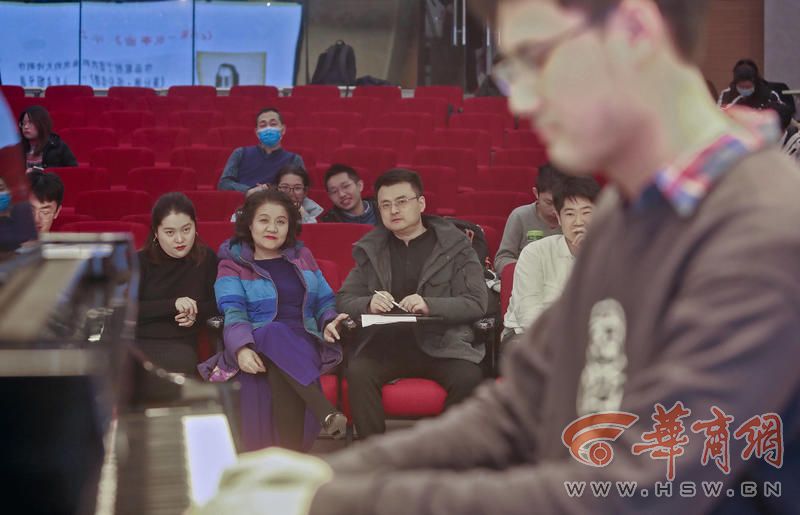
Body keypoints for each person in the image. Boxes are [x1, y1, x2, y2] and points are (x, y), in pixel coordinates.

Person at [196, 0, 800, 513]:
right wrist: (328, 476)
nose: (523, 100)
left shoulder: (764, 232)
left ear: (635, 31)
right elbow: (522, 404)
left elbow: (633, 491)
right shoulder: (629, 212)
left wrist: (334, 501)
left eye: (538, 58)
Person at [335, 168, 487, 439]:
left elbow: (476, 302)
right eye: (385, 205)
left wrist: (429, 304)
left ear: (421, 203)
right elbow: (344, 299)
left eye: (402, 201)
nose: (393, 210)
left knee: (469, 377)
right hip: (385, 344)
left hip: (442, 344)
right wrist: (369, 303)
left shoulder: (457, 247)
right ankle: (376, 454)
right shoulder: (372, 249)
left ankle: (438, 451)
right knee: (358, 372)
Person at [198, 189, 349, 452]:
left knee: (281, 364)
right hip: (254, 341)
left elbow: (325, 302)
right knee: (273, 331)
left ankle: (285, 459)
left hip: (303, 342)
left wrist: (329, 322)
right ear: (249, 223)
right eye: (264, 220)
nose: (272, 228)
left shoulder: (302, 257)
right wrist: (241, 348)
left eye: (281, 221)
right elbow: (233, 312)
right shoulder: (232, 264)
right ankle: (324, 413)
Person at [135, 192, 219, 403]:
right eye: (170, 232)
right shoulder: (139, 261)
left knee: (178, 362)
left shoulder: (206, 259)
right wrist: (173, 304)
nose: (180, 239)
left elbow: (219, 305)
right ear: (156, 232)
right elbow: (128, 309)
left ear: (195, 227)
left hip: (179, 345)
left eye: (186, 230)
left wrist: (196, 313)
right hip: (138, 342)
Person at [502, 175, 599, 346]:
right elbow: (529, 316)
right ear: (559, 218)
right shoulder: (535, 253)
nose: (579, 222)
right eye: (570, 214)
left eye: (586, 213)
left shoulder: (612, 256)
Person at [494, 163, 563, 275]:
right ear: (536, 193)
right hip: (526, 276)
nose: (555, 209)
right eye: (549, 202)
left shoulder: (574, 218)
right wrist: (529, 268)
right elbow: (501, 260)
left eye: (560, 202)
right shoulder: (520, 216)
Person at [217, 108, 304, 194]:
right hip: (244, 200)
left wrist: (270, 190)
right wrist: (249, 191)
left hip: (279, 201)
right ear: (257, 132)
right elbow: (224, 184)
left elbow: (300, 188)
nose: (268, 129)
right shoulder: (240, 153)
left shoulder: (294, 159)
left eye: (273, 124)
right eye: (263, 125)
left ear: (283, 129)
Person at [18, 105, 77, 172]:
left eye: (30, 122)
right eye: (23, 123)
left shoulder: (58, 146)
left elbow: (73, 171)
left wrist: (40, 173)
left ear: (42, 124)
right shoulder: (17, 148)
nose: (26, 127)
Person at [717, 59, 783, 111]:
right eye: (741, 87)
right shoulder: (727, 94)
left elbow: (782, 114)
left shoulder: (769, 95)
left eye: (747, 87)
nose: (744, 90)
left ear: (754, 82)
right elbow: (718, 115)